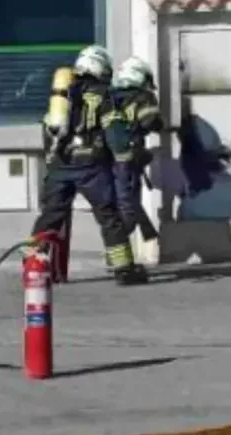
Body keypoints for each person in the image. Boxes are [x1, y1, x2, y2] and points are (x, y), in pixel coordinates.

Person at [29, 45, 148, 286]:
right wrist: (124, 156)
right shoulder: (104, 94)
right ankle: (124, 269)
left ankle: (33, 265)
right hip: (92, 166)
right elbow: (114, 130)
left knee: (50, 216)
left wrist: (53, 162)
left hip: (60, 166)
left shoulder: (62, 94)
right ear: (101, 68)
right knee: (108, 216)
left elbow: (48, 129)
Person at [105, 56, 166, 243]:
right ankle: (118, 259)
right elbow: (152, 122)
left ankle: (122, 259)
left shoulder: (108, 96)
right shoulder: (142, 97)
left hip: (106, 160)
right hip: (127, 162)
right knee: (128, 213)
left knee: (118, 208)